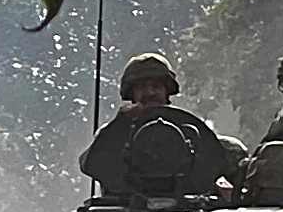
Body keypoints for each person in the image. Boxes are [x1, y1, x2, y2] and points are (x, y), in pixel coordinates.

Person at [80, 52, 245, 198]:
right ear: (132, 93)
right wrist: (120, 123)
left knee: (234, 149)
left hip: (187, 207)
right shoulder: (116, 135)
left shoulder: (188, 130)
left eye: (156, 86)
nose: (150, 92)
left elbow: (218, 157)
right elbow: (90, 164)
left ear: (167, 91)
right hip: (126, 211)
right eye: (142, 87)